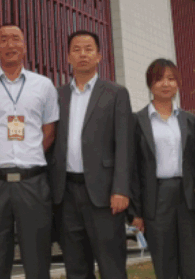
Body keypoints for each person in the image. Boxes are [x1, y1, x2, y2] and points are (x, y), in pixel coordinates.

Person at [0, 23, 59, 279]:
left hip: (32, 182)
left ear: (24, 47)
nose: (10, 44)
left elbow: (49, 131)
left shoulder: (44, 85)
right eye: (3, 39)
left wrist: (30, 154)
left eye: (16, 39)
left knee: (37, 259)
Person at [50, 30, 133, 279]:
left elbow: (125, 144)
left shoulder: (116, 93)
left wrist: (121, 189)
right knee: (76, 267)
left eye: (88, 49)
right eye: (76, 49)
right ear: (68, 57)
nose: (82, 54)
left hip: (104, 194)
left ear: (99, 56)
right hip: (66, 193)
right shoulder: (57, 95)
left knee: (111, 266)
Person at [129, 59, 195, 279]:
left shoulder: (190, 121)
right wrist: (135, 212)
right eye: (159, 79)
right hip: (156, 198)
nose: (166, 84)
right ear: (150, 84)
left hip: (188, 197)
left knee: (192, 265)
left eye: (171, 79)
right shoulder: (137, 122)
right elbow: (132, 169)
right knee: (164, 264)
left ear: (178, 83)